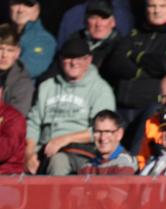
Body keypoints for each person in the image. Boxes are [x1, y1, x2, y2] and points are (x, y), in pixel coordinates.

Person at [25, 36, 116, 175]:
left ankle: (55, 197)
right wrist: (29, 154)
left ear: (89, 59)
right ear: (60, 59)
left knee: (58, 162)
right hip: (45, 149)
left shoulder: (100, 89)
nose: (73, 63)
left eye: (79, 58)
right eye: (68, 58)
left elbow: (104, 131)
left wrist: (65, 139)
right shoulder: (47, 87)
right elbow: (33, 124)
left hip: (82, 151)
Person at [103, 0, 166, 120]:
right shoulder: (135, 34)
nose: (157, 11)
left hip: (156, 111)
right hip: (121, 107)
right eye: (152, 6)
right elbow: (115, 63)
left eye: (162, 6)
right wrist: (150, 68)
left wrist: (136, 56)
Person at [0, 23, 34, 118]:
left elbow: (15, 121)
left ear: (17, 53)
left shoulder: (22, 82)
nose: (4, 55)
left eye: (10, 50)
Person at [1, 1, 57, 80]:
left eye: (27, 4)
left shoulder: (44, 40)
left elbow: (28, 70)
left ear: (37, 10)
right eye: (16, 3)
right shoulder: (0, 34)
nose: (20, 10)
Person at [78, 110, 138, 174]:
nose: (102, 137)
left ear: (119, 134)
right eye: (98, 132)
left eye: (108, 132)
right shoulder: (88, 166)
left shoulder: (125, 166)